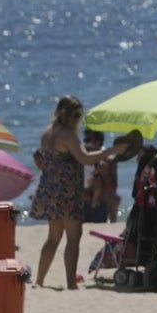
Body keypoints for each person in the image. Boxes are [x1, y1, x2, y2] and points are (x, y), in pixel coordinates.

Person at [31, 96, 127, 289]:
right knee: (74, 237)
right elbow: (85, 159)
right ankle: (70, 284)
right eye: (77, 115)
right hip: (67, 192)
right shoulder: (68, 135)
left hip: (50, 190)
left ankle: (39, 281)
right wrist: (111, 151)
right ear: (68, 115)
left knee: (53, 238)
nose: (78, 120)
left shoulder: (47, 132)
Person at [82, 129, 120, 223]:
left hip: (100, 204)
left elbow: (113, 188)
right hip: (82, 203)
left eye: (88, 140)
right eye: (85, 140)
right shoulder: (82, 158)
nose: (86, 143)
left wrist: (104, 173)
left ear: (98, 142)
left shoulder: (109, 160)